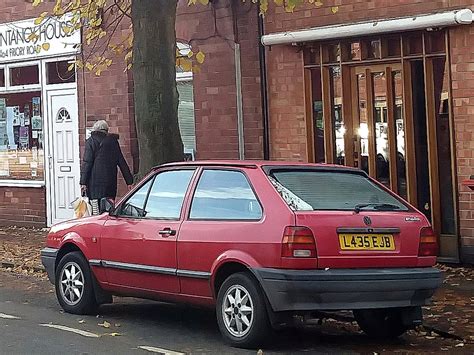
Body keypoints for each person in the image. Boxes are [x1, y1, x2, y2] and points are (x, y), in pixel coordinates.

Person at [80, 120, 133, 206]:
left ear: (95, 130)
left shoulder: (91, 141)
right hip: (110, 183)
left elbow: (87, 163)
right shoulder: (113, 142)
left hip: (94, 184)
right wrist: (129, 181)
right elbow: (121, 162)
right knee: (109, 208)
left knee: (96, 210)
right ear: (106, 130)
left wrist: (83, 182)